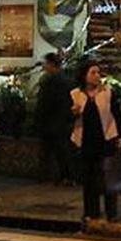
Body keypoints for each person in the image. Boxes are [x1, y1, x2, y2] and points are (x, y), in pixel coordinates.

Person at [71, 60, 121, 223]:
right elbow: (67, 119)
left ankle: (111, 213)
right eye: (92, 72)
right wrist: (73, 113)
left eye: (98, 72)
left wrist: (120, 136)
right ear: (84, 75)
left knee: (108, 178)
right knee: (89, 179)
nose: (97, 76)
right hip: (85, 142)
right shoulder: (75, 94)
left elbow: (116, 114)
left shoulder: (107, 92)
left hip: (106, 140)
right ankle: (91, 211)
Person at [35, 53, 74, 185]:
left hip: (51, 122)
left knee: (50, 151)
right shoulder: (68, 81)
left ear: (51, 64)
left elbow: (44, 103)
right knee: (62, 151)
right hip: (63, 121)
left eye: (46, 63)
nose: (44, 66)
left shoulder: (49, 82)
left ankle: (49, 176)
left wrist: (39, 120)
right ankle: (65, 176)